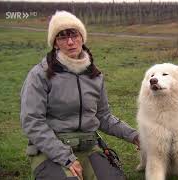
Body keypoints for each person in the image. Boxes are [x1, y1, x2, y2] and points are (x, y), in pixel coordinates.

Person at [20, 10, 139, 180]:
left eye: (74, 35)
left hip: (88, 147)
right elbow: (32, 121)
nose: (70, 42)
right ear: (55, 43)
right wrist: (65, 158)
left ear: (82, 38)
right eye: (62, 37)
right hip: (50, 149)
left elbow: (103, 116)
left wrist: (134, 136)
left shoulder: (95, 76)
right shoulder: (40, 75)